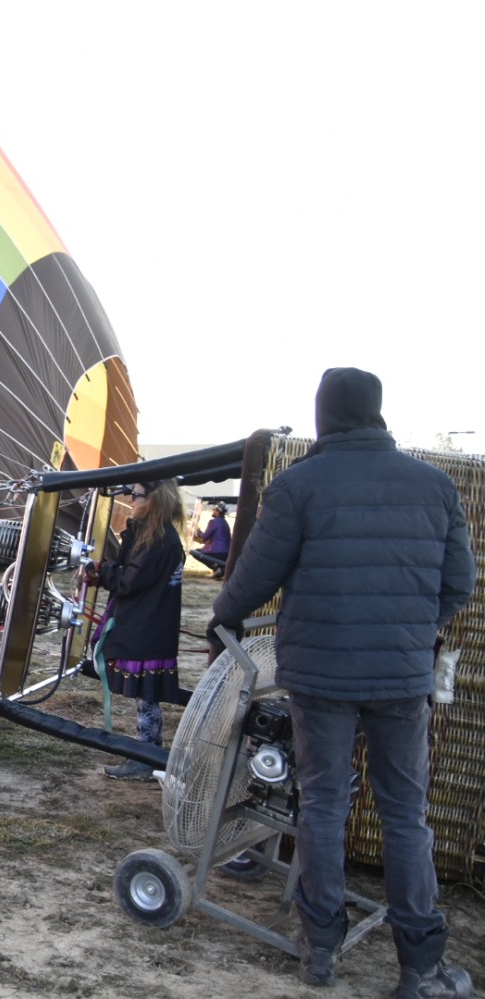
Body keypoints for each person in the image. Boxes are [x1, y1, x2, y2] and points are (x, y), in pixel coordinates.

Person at [209, 368, 475, 996]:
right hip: (402, 679)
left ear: (325, 415)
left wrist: (222, 616)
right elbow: (459, 581)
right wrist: (414, 630)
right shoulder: (434, 487)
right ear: (378, 413)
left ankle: (320, 950)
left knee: (325, 804)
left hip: (321, 675)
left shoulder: (299, 485)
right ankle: (421, 967)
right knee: (406, 813)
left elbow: (255, 575)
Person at [86, 479, 185, 780]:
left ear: (155, 499)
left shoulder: (157, 540)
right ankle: (151, 754)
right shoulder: (156, 535)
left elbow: (130, 581)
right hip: (151, 625)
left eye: (137, 495)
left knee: (146, 696)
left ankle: (145, 758)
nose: (130, 500)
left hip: (146, 626)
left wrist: (102, 571)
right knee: (147, 696)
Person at [189, 501, 231, 579]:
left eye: (214, 509)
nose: (212, 510)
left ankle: (215, 569)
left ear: (218, 511)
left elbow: (205, 537)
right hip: (226, 553)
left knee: (195, 552)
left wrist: (198, 531)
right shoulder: (225, 523)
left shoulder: (214, 522)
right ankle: (221, 568)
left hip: (217, 552)